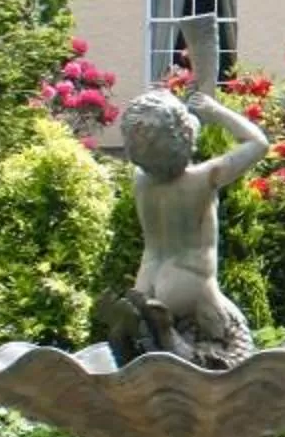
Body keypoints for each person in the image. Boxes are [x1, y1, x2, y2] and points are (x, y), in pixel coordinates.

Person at [112, 32, 268, 368]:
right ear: (184, 138)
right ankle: (169, 337)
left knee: (150, 367)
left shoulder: (141, 181)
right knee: (231, 356)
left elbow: (165, 140)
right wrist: (215, 110)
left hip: (148, 282)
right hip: (189, 285)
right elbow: (257, 143)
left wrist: (185, 117)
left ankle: (138, 334)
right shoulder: (202, 180)